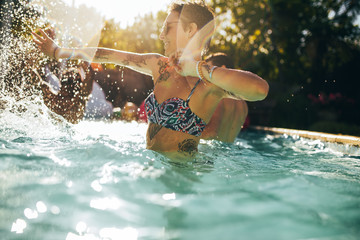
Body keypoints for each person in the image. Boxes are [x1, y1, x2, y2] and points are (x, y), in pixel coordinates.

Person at [32, 1, 269, 157]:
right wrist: (58, 51)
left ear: (190, 30)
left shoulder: (207, 83)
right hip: (153, 166)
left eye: (169, 28)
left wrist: (195, 68)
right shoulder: (158, 65)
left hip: (185, 175)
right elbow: (107, 55)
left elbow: (259, 89)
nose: (161, 34)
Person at [201, 53, 248, 142]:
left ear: (223, 68)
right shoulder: (243, 103)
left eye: (209, 69)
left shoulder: (218, 96)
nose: (205, 77)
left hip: (211, 153)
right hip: (228, 152)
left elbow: (210, 133)